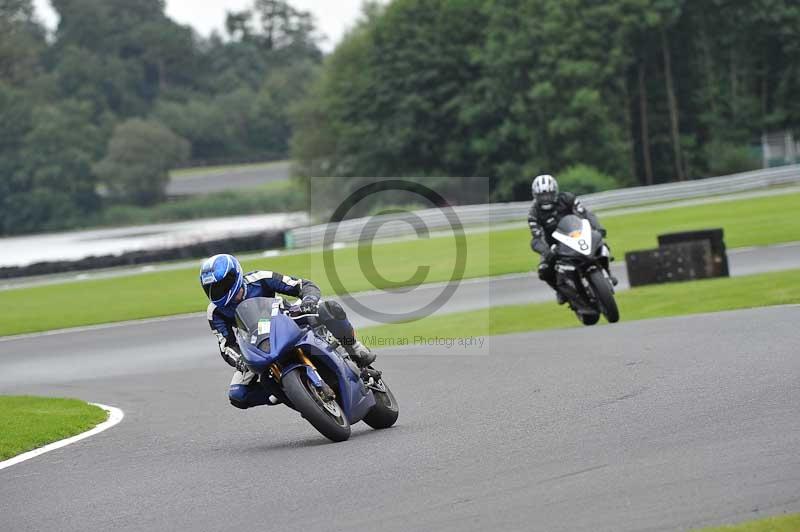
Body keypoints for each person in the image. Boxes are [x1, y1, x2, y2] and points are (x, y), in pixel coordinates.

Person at [200, 253, 375, 410]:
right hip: (257, 343)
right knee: (238, 395)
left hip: (286, 318)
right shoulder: (215, 311)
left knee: (329, 308)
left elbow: (302, 284)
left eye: (222, 286)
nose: (217, 292)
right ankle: (286, 393)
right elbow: (226, 345)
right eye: (211, 289)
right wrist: (239, 359)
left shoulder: (260, 278)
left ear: (235, 276)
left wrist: (309, 300)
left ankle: (353, 348)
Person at [527, 174, 610, 303]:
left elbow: (585, 213)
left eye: (548, 194)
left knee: (601, 243)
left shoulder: (568, 198)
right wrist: (546, 251)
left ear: (555, 191)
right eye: (542, 196)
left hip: (578, 235)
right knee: (543, 270)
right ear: (535, 196)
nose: (546, 199)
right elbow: (536, 238)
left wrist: (598, 228)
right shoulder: (534, 214)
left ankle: (607, 273)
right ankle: (560, 291)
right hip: (555, 246)